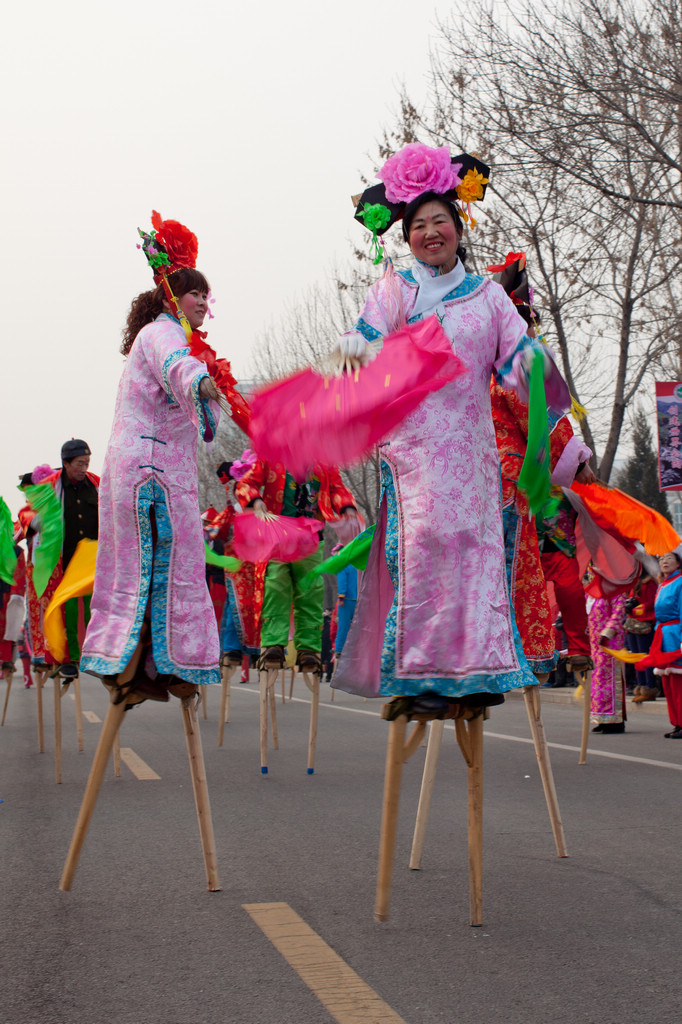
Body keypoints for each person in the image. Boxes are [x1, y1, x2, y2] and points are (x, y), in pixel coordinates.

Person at [334, 142, 570, 705]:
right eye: (419, 224)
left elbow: (523, 365)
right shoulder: (395, 291)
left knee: (472, 555)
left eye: (441, 220)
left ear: (459, 226)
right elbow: (362, 345)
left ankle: (477, 675)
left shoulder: (489, 299)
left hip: (471, 459)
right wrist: (352, 353)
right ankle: (422, 679)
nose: (430, 232)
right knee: (417, 557)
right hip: (411, 460)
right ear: (406, 235)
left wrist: (539, 378)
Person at [80, 212, 233, 702]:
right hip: (152, 474)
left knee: (143, 566)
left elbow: (197, 416)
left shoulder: (163, 336)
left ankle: (147, 668)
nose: (203, 304)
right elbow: (178, 367)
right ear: (173, 297)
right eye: (195, 295)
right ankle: (152, 668)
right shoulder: (163, 333)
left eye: (207, 296)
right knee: (169, 563)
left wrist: (209, 397)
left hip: (148, 470)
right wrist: (201, 383)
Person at [236, 459, 358, 673]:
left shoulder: (324, 462)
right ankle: (274, 644)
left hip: (309, 536)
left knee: (310, 589)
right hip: (276, 533)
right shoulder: (271, 456)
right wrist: (256, 501)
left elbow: (337, 488)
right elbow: (247, 484)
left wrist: (346, 506)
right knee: (275, 585)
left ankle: (308, 649)